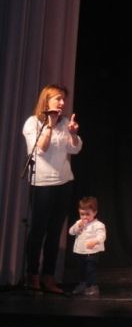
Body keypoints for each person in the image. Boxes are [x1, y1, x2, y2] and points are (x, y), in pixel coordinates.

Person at [22, 83, 83, 293]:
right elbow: (40, 149)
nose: (62, 102)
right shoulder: (33, 123)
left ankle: (48, 277)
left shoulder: (65, 122)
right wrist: (49, 124)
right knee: (38, 231)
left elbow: (74, 149)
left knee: (55, 232)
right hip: (42, 184)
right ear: (46, 100)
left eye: (64, 99)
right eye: (58, 98)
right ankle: (32, 275)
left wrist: (73, 133)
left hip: (64, 183)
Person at [68, 196, 106, 296]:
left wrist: (95, 241)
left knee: (90, 270)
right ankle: (82, 284)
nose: (84, 217)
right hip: (80, 252)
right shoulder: (79, 223)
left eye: (88, 214)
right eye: (82, 214)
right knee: (81, 269)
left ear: (95, 212)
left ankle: (93, 286)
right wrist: (78, 226)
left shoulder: (98, 225)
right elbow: (71, 232)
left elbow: (102, 236)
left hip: (92, 253)